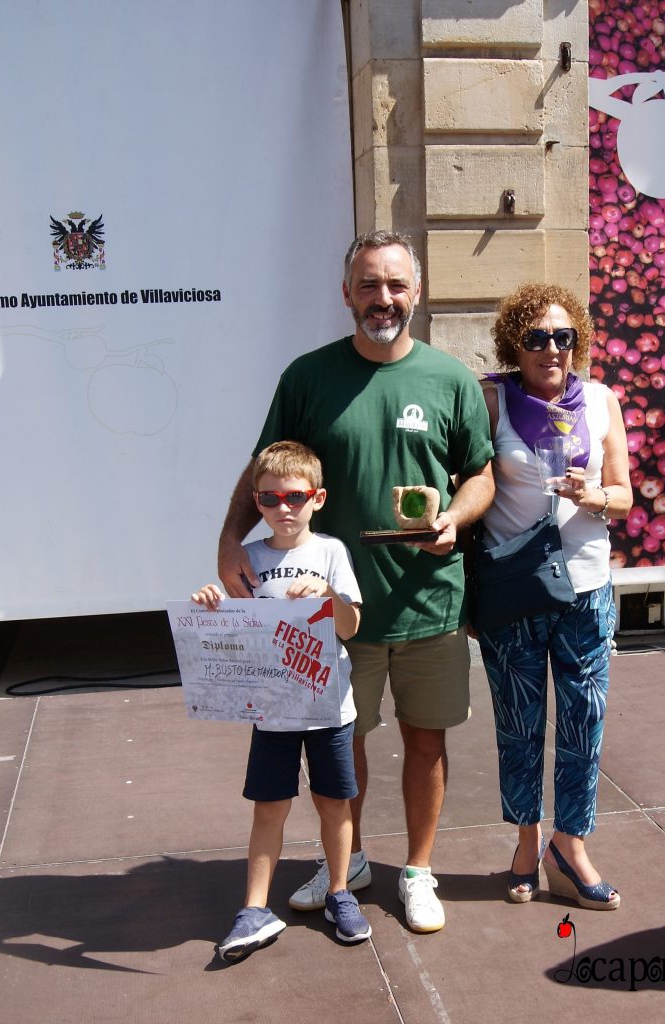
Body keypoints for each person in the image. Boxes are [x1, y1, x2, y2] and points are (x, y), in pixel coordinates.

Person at [216, 231, 494, 933]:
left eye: (396, 284)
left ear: (417, 292)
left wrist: (455, 518)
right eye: (368, 284)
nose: (383, 298)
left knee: (426, 741)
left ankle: (419, 871)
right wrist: (228, 542)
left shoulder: (450, 379)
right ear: (346, 293)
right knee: (346, 745)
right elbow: (264, 469)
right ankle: (352, 862)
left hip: (429, 600)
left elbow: (480, 475)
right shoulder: (308, 377)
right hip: (333, 611)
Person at [475, 283, 631, 910]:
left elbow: (624, 493)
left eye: (563, 337)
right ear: (515, 343)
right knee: (518, 723)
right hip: (515, 587)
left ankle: (571, 844)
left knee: (583, 720)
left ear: (578, 342)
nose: (551, 348)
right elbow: (470, 483)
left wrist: (594, 496)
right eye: (536, 337)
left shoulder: (601, 400)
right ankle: (525, 840)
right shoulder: (491, 400)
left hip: (587, 586)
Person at [195, 441, 371, 960]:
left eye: (295, 496)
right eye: (269, 499)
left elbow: (351, 626)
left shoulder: (331, 553)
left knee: (334, 804)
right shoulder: (248, 558)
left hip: (328, 707)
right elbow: (237, 630)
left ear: (317, 498)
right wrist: (211, 606)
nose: (283, 508)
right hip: (271, 709)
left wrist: (327, 595)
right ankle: (254, 908)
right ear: (257, 501)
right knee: (269, 807)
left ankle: (339, 891)